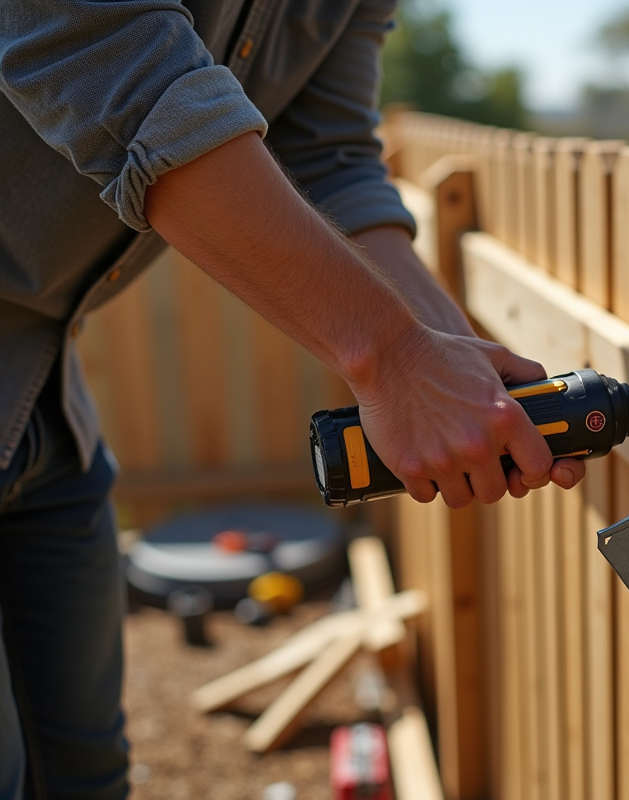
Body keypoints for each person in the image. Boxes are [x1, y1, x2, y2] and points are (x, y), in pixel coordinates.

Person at [0, 2, 583, 797]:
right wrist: (394, 354)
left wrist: (454, 357)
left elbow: (329, 154)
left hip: (39, 376)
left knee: (83, 772)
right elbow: (114, 65)